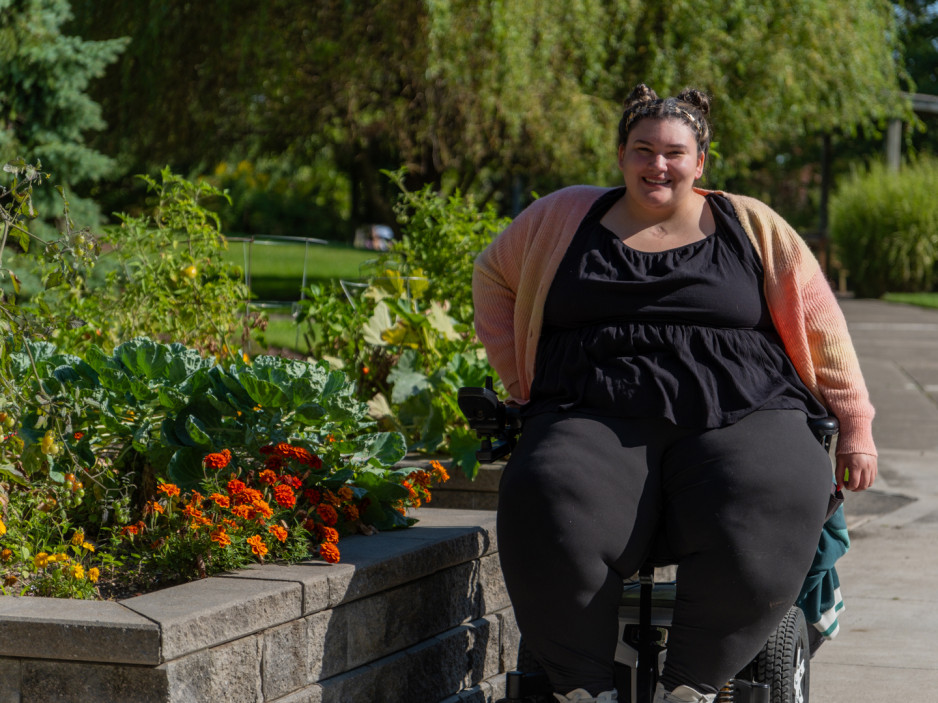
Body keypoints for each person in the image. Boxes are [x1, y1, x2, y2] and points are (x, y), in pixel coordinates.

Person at [472, 84, 877, 703]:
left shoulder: (751, 224)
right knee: (549, 495)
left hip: (744, 403)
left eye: (674, 152)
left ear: (700, 161)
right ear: (620, 155)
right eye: (642, 149)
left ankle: (692, 685)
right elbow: (494, 275)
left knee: (774, 489)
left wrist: (855, 425)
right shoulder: (564, 216)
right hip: (593, 405)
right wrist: (520, 381)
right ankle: (583, 689)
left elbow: (821, 326)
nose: (657, 164)